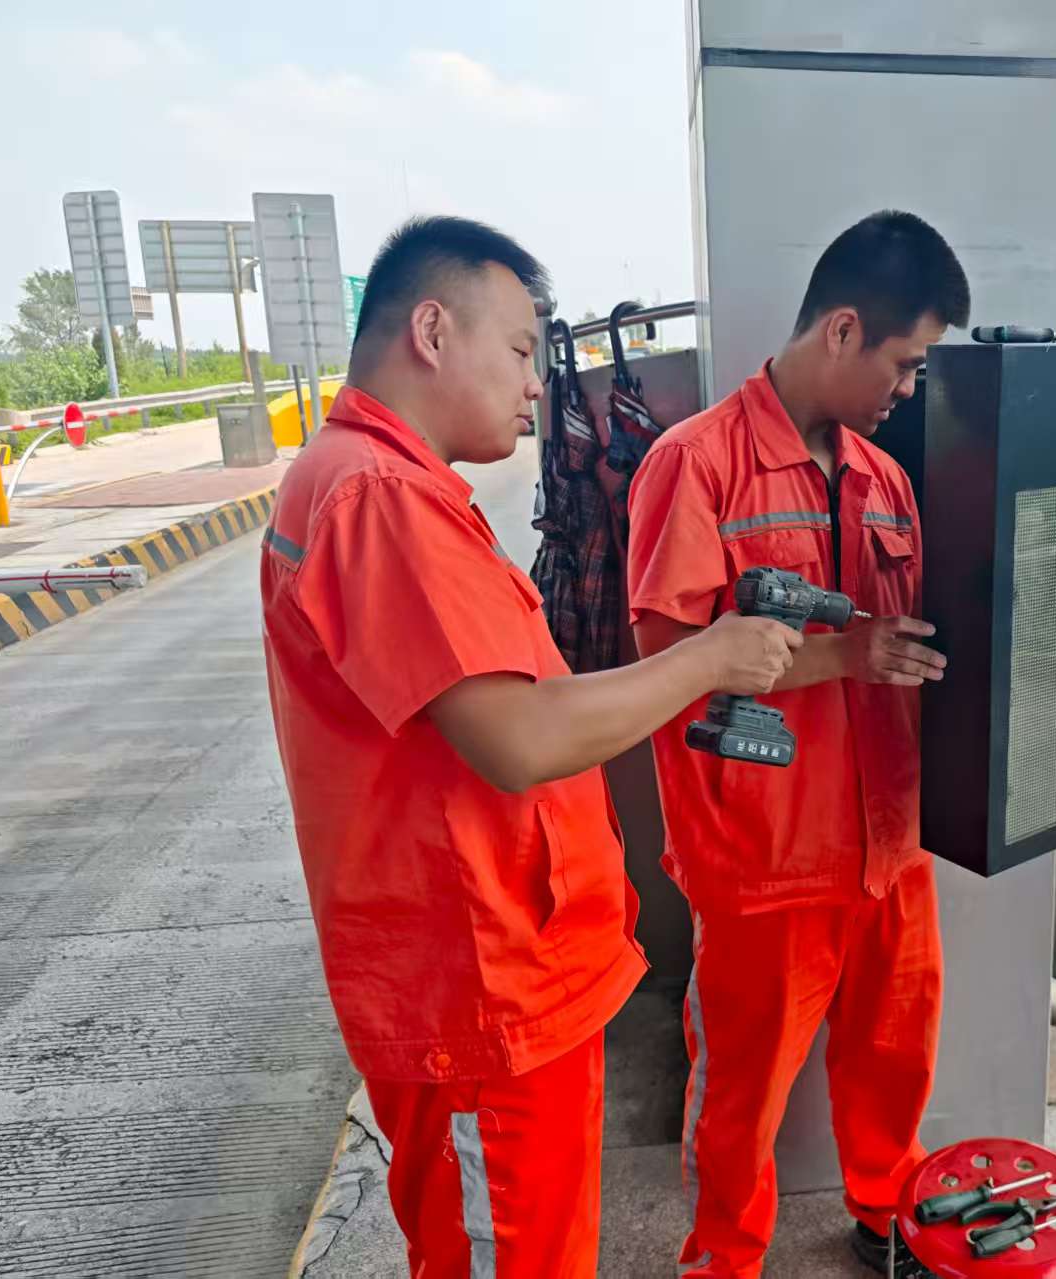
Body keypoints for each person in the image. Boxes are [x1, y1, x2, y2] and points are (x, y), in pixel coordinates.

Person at [260, 215, 801, 1279]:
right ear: (430, 331)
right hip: (480, 1001)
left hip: (506, 982)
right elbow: (517, 736)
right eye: (517, 352)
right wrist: (707, 657)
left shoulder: (379, 484)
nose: (534, 389)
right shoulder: (378, 498)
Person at [626, 210, 970, 1276]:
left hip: (889, 847)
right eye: (904, 363)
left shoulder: (885, 481)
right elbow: (668, 667)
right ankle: (722, 1261)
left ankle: (884, 1216)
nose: (908, 388)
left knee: (894, 1058)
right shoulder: (695, 466)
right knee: (742, 1098)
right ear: (842, 329)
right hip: (763, 863)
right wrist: (848, 654)